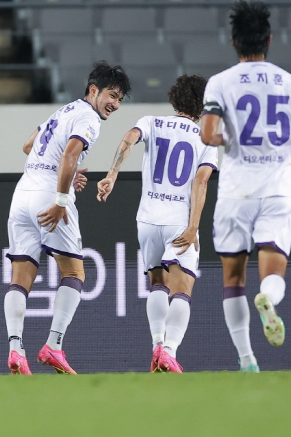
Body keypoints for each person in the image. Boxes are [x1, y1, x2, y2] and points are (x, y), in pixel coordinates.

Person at [200, 1, 291, 372]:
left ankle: (247, 359)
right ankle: (267, 297)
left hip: (237, 189)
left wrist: (231, 143)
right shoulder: (290, 82)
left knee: (233, 277)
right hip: (279, 187)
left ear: (233, 42)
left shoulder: (220, 82)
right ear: (269, 39)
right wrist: (281, 154)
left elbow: (208, 133)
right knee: (272, 269)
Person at [4, 61, 130, 375]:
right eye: (111, 95)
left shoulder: (62, 111)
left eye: (120, 100)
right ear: (94, 90)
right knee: (74, 273)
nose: (114, 104)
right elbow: (69, 154)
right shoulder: (88, 117)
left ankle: (16, 350)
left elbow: (28, 145)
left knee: (20, 279)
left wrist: (67, 174)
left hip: (22, 195)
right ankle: (53, 346)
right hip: (48, 196)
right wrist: (61, 198)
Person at [97, 75, 217, 373]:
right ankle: (170, 351)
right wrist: (193, 227)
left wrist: (112, 174)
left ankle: (156, 347)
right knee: (182, 288)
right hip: (178, 220)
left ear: (175, 99)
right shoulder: (206, 139)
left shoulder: (152, 122)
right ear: (202, 107)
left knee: (157, 284)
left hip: (148, 218)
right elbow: (200, 183)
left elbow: (128, 137)